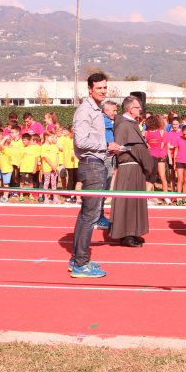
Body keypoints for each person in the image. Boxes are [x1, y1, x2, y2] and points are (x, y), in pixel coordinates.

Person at [70, 72, 122, 278]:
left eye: (105, 87)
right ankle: (80, 263)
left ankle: (78, 259)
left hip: (97, 161)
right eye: (99, 88)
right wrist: (105, 145)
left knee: (88, 214)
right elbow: (81, 141)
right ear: (90, 89)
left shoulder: (96, 110)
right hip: (91, 165)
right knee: (90, 215)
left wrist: (108, 149)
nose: (103, 91)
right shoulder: (85, 110)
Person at [111, 95, 155, 248]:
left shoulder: (129, 124)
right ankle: (126, 234)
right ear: (130, 110)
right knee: (129, 202)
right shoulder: (126, 125)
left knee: (135, 201)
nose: (140, 110)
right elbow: (136, 149)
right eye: (137, 107)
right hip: (129, 167)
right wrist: (150, 167)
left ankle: (133, 231)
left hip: (135, 167)